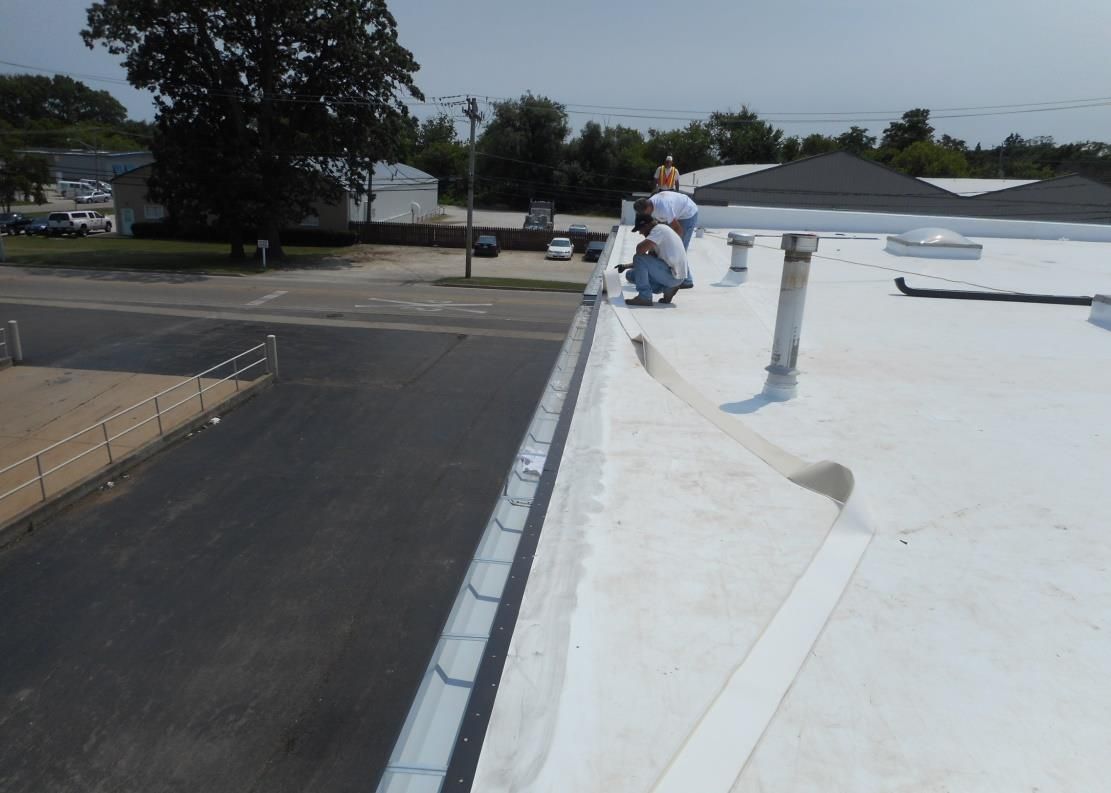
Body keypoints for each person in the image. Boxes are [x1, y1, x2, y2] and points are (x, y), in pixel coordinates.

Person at [617, 214, 687, 307]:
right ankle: (668, 288)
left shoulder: (658, 230)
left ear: (646, 225)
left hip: (671, 275)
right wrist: (625, 266)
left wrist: (645, 243)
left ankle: (645, 297)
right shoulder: (660, 232)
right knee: (630, 275)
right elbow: (648, 262)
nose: (640, 233)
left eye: (640, 229)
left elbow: (640, 250)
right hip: (674, 275)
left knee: (638, 257)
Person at [633, 192, 699, 288]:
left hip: (688, 213)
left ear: (648, 208)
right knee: (664, 247)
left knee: (680, 249)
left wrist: (673, 243)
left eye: (644, 213)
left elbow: (678, 230)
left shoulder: (663, 208)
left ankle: (686, 281)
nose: (644, 216)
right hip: (676, 210)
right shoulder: (651, 206)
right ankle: (668, 275)